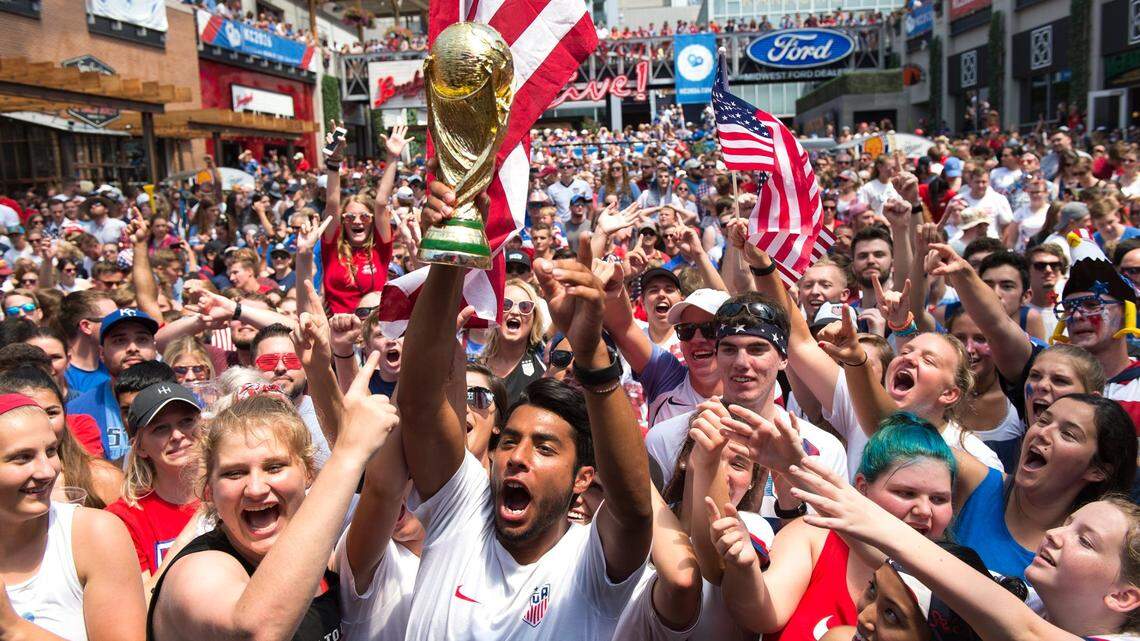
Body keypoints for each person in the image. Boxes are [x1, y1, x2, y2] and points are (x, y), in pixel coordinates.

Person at [397, 174, 652, 639]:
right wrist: (451, 251)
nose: (517, 456)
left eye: (545, 448)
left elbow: (634, 510)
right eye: (510, 440)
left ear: (583, 480)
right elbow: (417, 406)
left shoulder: (591, 565)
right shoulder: (462, 514)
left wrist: (592, 352)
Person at [147, 359, 399, 641]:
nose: (255, 488)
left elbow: (387, 487)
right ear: (209, 491)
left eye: (275, 467)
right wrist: (347, 454)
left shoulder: (324, 564)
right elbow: (257, 631)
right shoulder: (197, 572)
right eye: (234, 473)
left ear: (308, 474)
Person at [789, 455, 1140, 640]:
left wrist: (868, 514)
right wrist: (792, 466)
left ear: (1123, 596)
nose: (1054, 534)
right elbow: (911, 574)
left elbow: (1022, 632)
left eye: (1085, 540)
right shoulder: (1035, 601)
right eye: (1067, 524)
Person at [708, 414, 961, 638]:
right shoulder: (814, 536)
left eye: (939, 499)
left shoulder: (953, 590)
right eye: (906, 493)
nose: (924, 510)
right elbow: (761, 614)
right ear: (862, 488)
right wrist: (744, 568)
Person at [1, 393, 146, 641]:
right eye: (22, 457)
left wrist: (13, 629)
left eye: (51, 451)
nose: (47, 471)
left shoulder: (93, 535)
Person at [105, 382, 203, 582]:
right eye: (160, 429)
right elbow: (144, 604)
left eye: (186, 421)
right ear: (139, 447)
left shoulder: (232, 492)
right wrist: (190, 534)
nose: (177, 435)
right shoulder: (125, 518)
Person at [0, 365, 121, 508]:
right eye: (22, 458)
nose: (43, 422)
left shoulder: (104, 478)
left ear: (65, 413)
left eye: (51, 412)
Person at [320, 125, 403, 314]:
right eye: (350, 217)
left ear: (373, 221)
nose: (357, 222)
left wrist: (392, 158)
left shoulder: (380, 248)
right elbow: (332, 204)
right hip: (338, 330)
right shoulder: (332, 247)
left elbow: (381, 203)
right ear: (343, 221)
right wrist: (334, 162)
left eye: (365, 217)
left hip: (373, 331)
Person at [67, 308, 160, 462]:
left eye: (142, 339)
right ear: (101, 353)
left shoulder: (185, 401)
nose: (132, 348)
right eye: (119, 341)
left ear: (155, 348)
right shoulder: (77, 410)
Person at [479, 279, 548, 403]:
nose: (515, 312)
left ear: (534, 317)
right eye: (506, 304)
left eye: (525, 307)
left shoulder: (544, 359)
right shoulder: (477, 366)